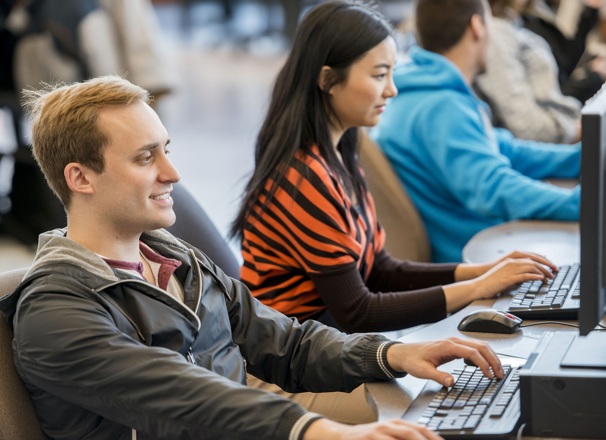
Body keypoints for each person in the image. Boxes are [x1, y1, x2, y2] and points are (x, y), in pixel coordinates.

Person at [0, 73, 507, 439]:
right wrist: (314, 431)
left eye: (167, 149)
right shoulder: (55, 312)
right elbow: (183, 398)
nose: (173, 174)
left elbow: (284, 343)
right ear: (80, 178)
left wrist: (392, 353)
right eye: (145, 157)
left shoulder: (175, 259)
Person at [231, 0, 556, 339]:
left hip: (331, 346)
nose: (392, 89)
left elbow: (380, 270)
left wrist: (485, 272)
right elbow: (359, 311)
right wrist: (477, 288)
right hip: (292, 362)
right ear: (328, 80)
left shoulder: (340, 154)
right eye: (379, 75)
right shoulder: (304, 177)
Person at [372, 0, 581, 264]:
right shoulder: (441, 107)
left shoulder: (428, 90)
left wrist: (582, 156)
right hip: (476, 260)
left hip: (485, 248)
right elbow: (495, 189)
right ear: (477, 26)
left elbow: (504, 149)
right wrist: (582, 203)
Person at [474, 0, 582, 144]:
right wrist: (574, 131)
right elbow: (526, 125)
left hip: (563, 128)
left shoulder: (517, 21)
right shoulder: (496, 33)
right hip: (553, 142)